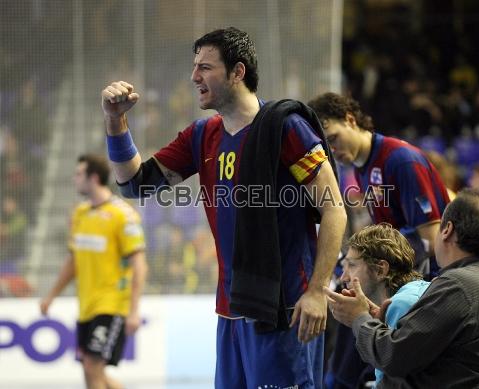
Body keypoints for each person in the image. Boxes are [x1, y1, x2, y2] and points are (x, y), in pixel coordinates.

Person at [101, 27, 346, 388]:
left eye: (205, 67)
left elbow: (334, 209)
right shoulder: (202, 135)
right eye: (194, 66)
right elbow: (135, 184)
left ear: (238, 72)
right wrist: (115, 120)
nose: (194, 76)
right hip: (231, 309)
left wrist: (316, 292)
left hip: (287, 307)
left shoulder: (286, 128)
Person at [308, 92, 450, 388]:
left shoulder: (401, 160)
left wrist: (363, 260)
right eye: (326, 146)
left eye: (333, 138)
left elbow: (431, 238)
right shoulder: (362, 168)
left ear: (350, 119)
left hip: (427, 285)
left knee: (348, 346)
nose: (332, 149)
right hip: (395, 280)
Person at [325, 189, 479, 388]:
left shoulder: (458, 286)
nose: (344, 276)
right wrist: (375, 322)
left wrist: (359, 318)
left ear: (447, 230)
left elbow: (392, 358)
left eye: (351, 265)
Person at [40, 154, 147, 389]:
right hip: (86, 306)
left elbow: (139, 264)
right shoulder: (79, 214)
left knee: (92, 366)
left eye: (79, 174)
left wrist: (134, 310)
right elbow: (73, 261)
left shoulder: (123, 215)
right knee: (92, 371)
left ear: (94, 178)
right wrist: (51, 295)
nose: (74, 179)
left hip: (111, 304)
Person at [338, 223, 430, 387]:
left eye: (352, 266)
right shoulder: (414, 291)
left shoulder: (401, 304)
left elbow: (389, 379)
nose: (343, 278)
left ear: (380, 270)